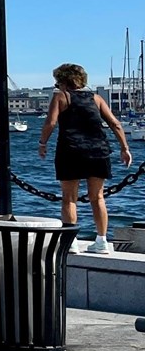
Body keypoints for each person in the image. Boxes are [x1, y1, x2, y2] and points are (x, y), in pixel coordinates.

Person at [40, 62, 134, 254]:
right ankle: (101, 241)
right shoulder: (96, 98)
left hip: (70, 151)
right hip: (98, 151)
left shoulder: (60, 96)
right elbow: (115, 124)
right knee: (98, 197)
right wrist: (124, 148)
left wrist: (42, 143)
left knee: (69, 198)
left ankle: (71, 242)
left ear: (63, 81)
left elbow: (50, 122)